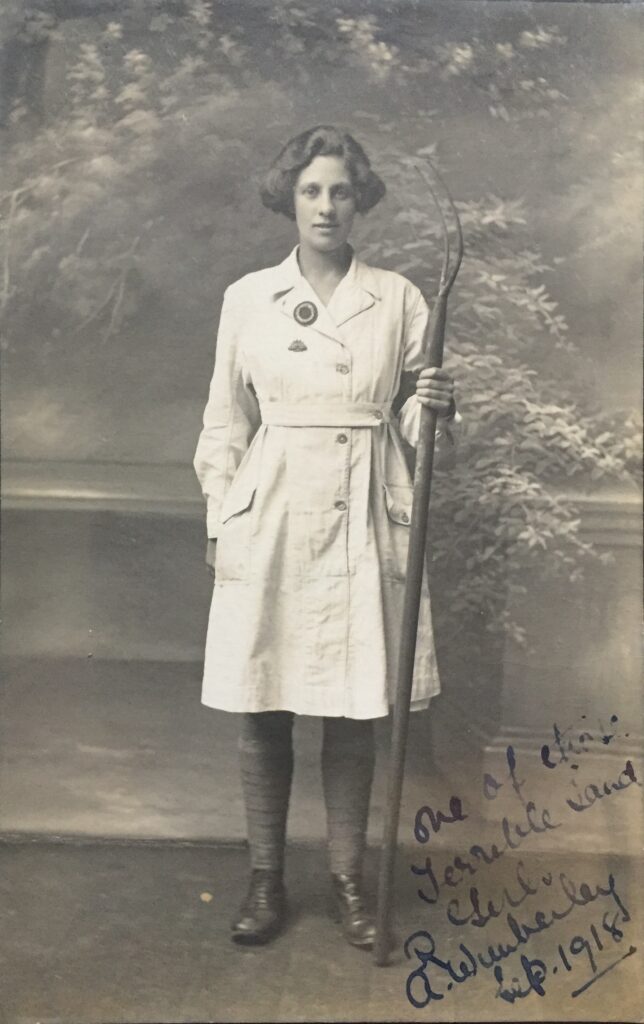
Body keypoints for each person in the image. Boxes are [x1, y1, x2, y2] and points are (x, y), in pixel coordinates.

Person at [194, 125, 458, 949]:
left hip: (363, 507)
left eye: (340, 190)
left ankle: (348, 881)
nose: (326, 205)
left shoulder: (400, 297)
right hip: (271, 508)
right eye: (311, 190)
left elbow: (418, 428)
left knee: (352, 708)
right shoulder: (248, 298)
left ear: (360, 199)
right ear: (290, 199)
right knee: (264, 700)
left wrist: (436, 401)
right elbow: (222, 424)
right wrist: (220, 515)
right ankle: (266, 880)